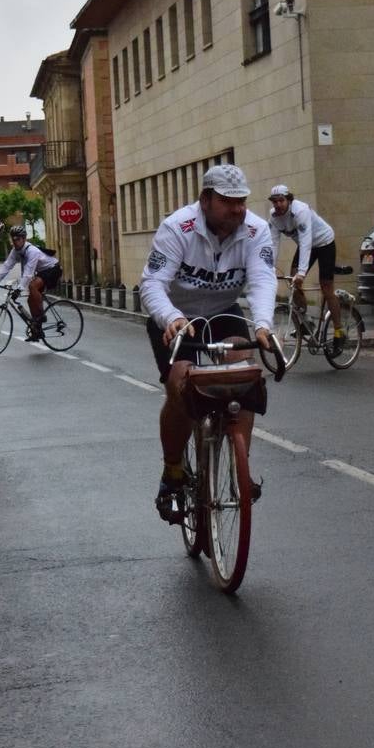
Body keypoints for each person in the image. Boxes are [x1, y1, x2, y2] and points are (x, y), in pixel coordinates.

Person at [140, 164, 276, 523]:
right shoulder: (177, 228)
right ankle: (172, 472)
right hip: (177, 316)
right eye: (228, 202)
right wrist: (172, 319)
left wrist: (262, 324)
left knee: (243, 375)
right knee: (181, 383)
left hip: (223, 311)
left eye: (242, 202)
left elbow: (262, 280)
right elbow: (152, 284)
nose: (236, 209)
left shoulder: (256, 229)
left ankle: (239, 469)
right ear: (205, 199)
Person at [265, 183, 344, 352]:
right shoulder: (274, 217)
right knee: (293, 281)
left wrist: (302, 272)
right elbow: (273, 243)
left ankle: (339, 331)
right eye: (275, 202)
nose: (278, 205)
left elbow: (306, 241)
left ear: (289, 200)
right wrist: (269, 268)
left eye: (281, 201)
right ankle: (305, 321)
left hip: (323, 242)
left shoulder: (300, 211)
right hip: (305, 245)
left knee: (326, 287)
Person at [0, 225, 62, 341]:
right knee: (30, 300)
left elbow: (28, 273)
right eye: (13, 239)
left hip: (53, 269)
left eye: (18, 239)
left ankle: (41, 315)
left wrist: (19, 288)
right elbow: (6, 266)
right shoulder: (15, 251)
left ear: (24, 239)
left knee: (32, 285)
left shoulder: (32, 251)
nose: (15, 242)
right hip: (41, 271)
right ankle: (37, 331)